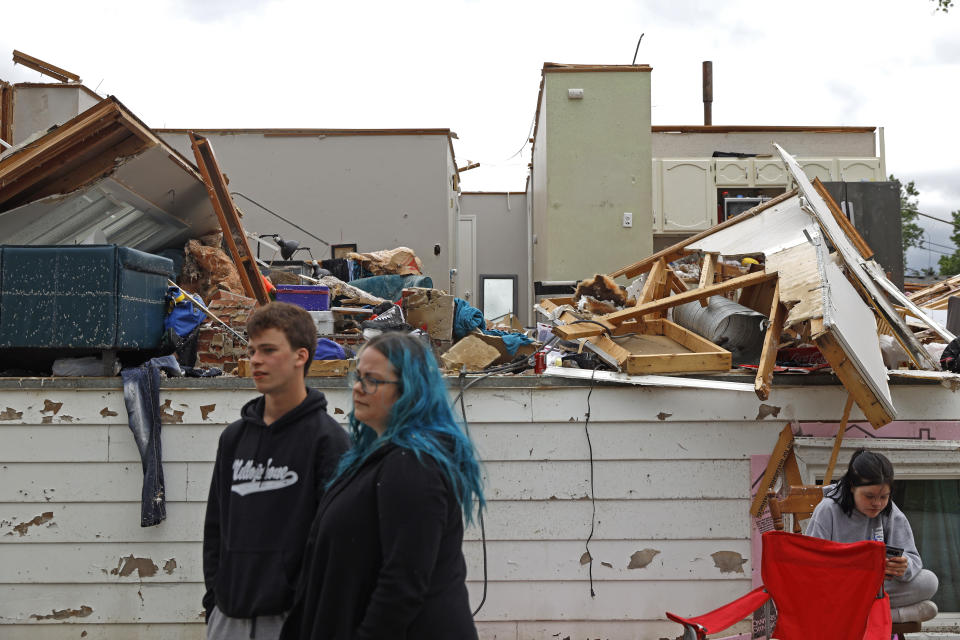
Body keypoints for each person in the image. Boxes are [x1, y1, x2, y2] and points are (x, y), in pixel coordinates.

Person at [281, 332, 485, 640]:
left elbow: (402, 583)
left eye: (373, 380)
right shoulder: (375, 456)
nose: (359, 389)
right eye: (358, 377)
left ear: (409, 391)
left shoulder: (414, 464)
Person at [203, 302, 351, 640]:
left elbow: (336, 546)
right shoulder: (233, 438)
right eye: (253, 349)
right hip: (228, 619)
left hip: (294, 622)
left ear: (301, 356)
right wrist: (214, 603)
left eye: (268, 350)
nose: (255, 359)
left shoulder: (329, 441)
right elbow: (216, 529)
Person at [806, 448, 939, 624]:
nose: (877, 503)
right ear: (852, 487)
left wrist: (903, 566)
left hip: (873, 589)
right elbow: (810, 565)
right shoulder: (827, 510)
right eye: (869, 496)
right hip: (839, 589)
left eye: (884, 496)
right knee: (814, 597)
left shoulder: (889, 511)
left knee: (929, 581)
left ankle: (855, 617)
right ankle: (895, 616)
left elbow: (913, 558)